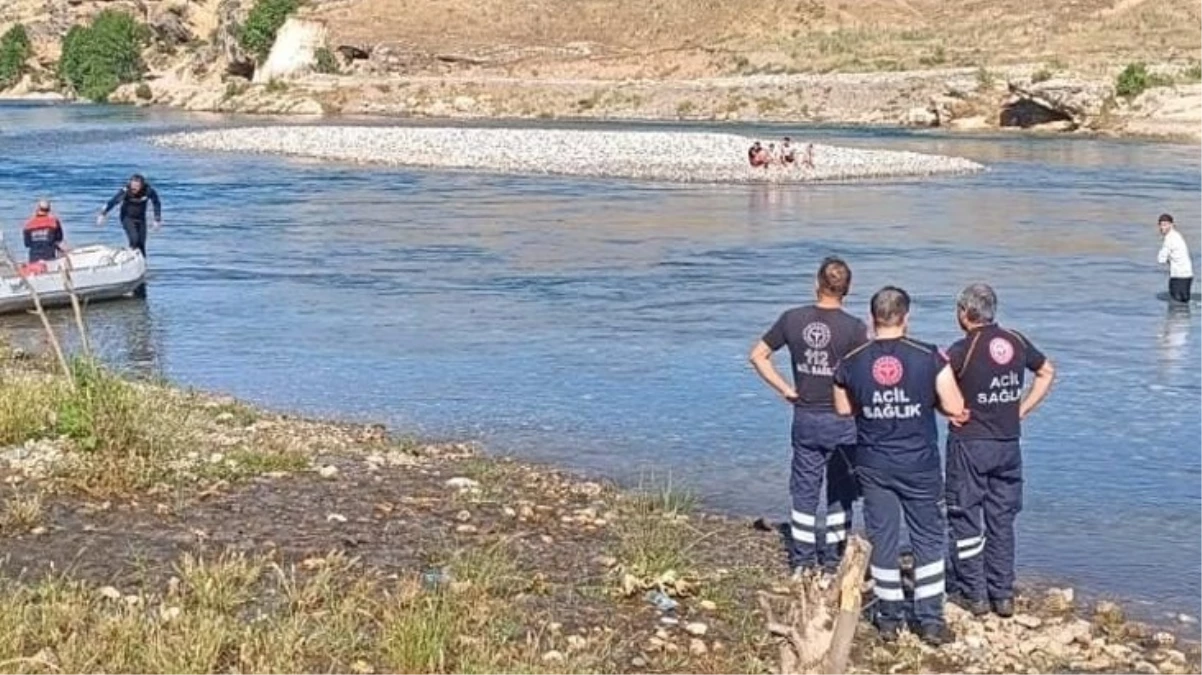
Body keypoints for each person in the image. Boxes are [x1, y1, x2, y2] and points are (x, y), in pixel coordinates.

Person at [833, 286, 965, 646]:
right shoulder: (929, 356)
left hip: (874, 462)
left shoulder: (852, 359)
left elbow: (843, 408)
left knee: (884, 539)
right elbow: (954, 406)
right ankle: (930, 620)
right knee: (928, 538)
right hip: (919, 462)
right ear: (906, 318)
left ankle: (889, 618)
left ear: (871, 318)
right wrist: (927, 404)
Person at [749, 257, 868, 575]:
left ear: (816, 284)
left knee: (804, 490)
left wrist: (785, 389)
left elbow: (758, 355)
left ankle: (802, 561)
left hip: (805, 416)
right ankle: (832, 561)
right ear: (848, 290)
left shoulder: (792, 319)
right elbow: (865, 377)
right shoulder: (855, 328)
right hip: (843, 420)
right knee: (840, 492)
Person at [944, 284, 1055, 619]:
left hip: (971, 443)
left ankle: (975, 594)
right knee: (1002, 520)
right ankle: (1002, 594)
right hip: (1008, 444)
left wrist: (949, 410)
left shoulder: (963, 349)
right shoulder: (1016, 340)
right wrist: (1022, 408)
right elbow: (1047, 372)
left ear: (964, 313)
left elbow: (936, 380)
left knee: (965, 516)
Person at [97, 173, 162, 257]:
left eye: (137, 186)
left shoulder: (148, 191)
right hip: (127, 218)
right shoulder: (126, 191)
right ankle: (130, 258)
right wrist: (103, 214)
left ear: (142, 185)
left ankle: (143, 265)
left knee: (141, 244)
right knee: (134, 239)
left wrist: (157, 219)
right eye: (132, 185)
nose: (134, 188)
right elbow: (114, 201)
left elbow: (156, 203)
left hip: (141, 219)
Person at [1157, 213, 1193, 303]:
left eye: (1165, 225)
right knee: (1184, 302)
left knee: (1176, 304)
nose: (1162, 228)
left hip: (1178, 276)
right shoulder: (1177, 236)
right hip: (1188, 274)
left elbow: (1161, 259)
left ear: (1172, 225)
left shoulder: (1169, 239)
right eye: (1161, 225)